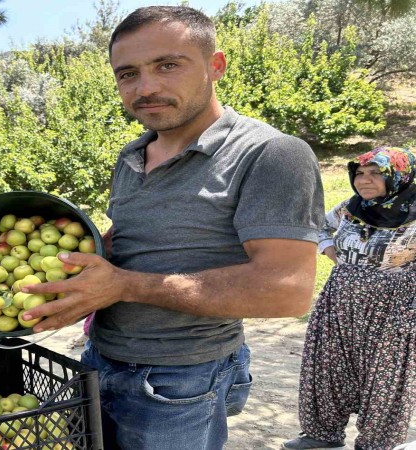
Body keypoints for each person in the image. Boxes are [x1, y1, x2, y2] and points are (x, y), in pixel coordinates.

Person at [19, 6, 324, 449]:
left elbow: (286, 290)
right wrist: (79, 268)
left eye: (168, 65)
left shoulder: (272, 154)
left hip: (181, 379)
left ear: (215, 65)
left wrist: (123, 286)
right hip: (99, 359)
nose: (146, 88)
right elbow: (141, 245)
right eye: (127, 74)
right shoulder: (131, 156)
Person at [283, 147, 416, 450]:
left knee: (386, 376)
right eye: (360, 173)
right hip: (340, 298)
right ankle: (321, 434)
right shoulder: (352, 207)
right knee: (327, 364)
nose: (364, 181)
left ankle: (377, 443)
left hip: (396, 305)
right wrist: (331, 251)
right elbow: (320, 226)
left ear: (398, 176)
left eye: (376, 173)